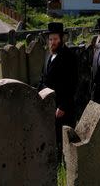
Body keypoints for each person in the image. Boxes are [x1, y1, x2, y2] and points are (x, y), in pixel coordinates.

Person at [38, 22, 77, 156]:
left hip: (63, 107)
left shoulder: (69, 57)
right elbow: (43, 78)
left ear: (61, 39)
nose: (52, 42)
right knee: (53, 136)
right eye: (50, 39)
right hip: (50, 103)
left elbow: (72, 84)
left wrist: (63, 106)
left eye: (55, 39)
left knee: (64, 139)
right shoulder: (49, 55)